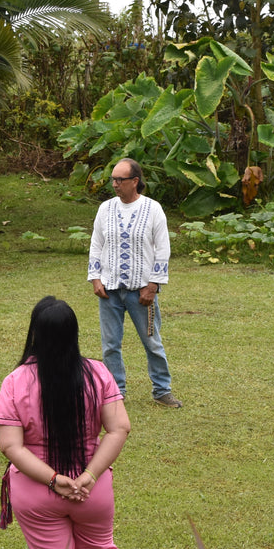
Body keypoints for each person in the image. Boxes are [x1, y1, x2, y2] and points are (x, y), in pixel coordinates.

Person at [0, 296, 144, 549]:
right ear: (74, 333)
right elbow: (119, 428)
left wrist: (54, 480)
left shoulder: (16, 381)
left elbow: (11, 446)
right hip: (93, 491)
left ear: (35, 333)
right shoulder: (98, 373)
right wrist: (89, 476)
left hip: (36, 492)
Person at [87, 157, 181, 407]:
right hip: (109, 290)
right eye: (113, 179)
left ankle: (162, 390)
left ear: (135, 181)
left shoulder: (153, 209)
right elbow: (96, 244)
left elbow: (163, 249)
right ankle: (115, 392)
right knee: (110, 345)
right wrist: (95, 278)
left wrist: (153, 285)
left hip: (141, 292)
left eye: (120, 180)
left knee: (152, 342)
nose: (115, 184)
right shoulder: (105, 209)